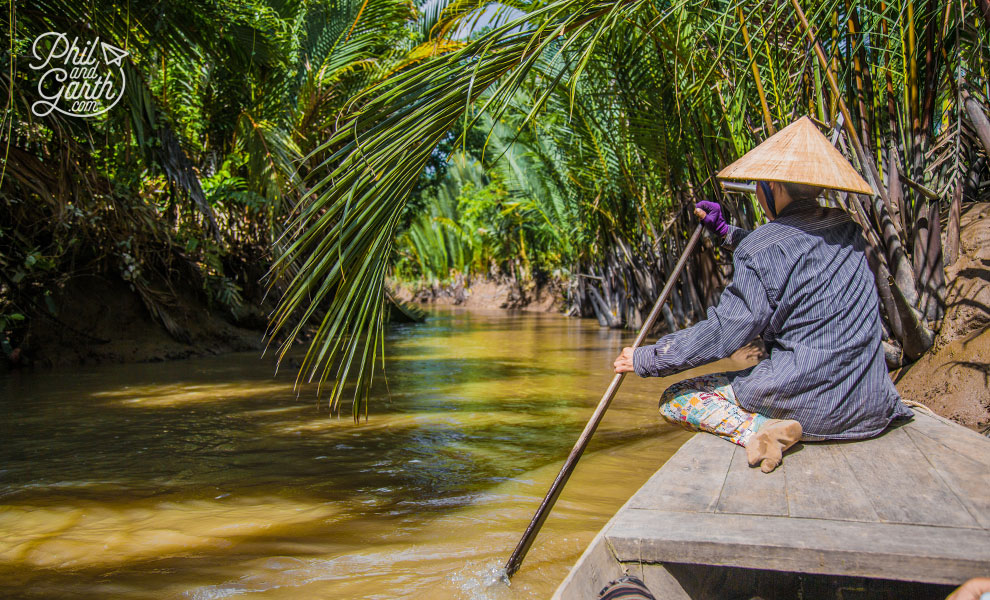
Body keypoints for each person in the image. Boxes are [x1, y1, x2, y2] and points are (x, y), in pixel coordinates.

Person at [612, 116, 913, 473]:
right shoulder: (846, 227)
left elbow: (724, 333)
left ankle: (761, 430)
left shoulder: (763, 248)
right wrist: (726, 232)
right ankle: (774, 424)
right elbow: (792, 254)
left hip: (815, 412)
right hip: (870, 406)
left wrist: (648, 358)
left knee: (675, 401)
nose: (757, 191)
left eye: (760, 184)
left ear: (774, 187)